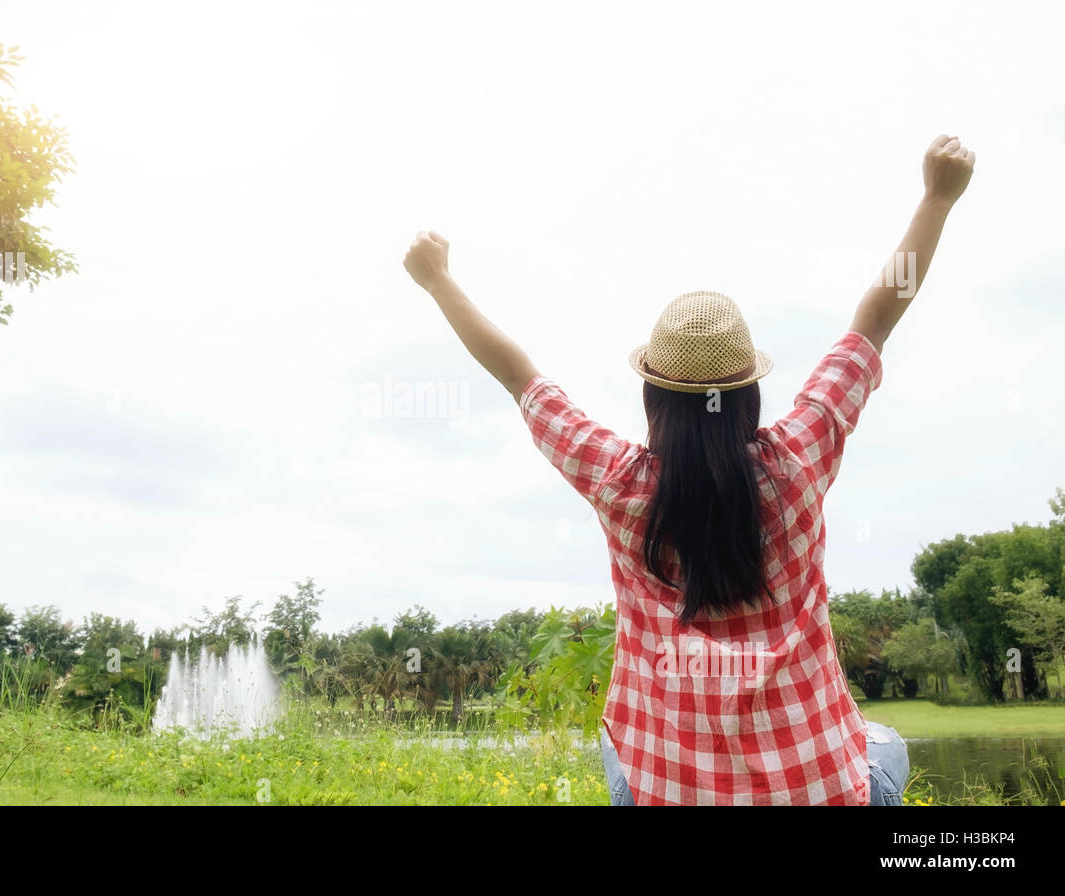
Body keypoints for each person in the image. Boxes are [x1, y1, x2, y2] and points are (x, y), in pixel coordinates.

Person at [402, 135, 975, 805]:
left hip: (669, 792)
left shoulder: (619, 483)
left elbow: (519, 377)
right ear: (750, 392)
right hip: (818, 790)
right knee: (885, 745)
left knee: (619, 744)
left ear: (653, 398)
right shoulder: (799, 458)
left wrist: (439, 281)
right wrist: (937, 199)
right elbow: (871, 326)